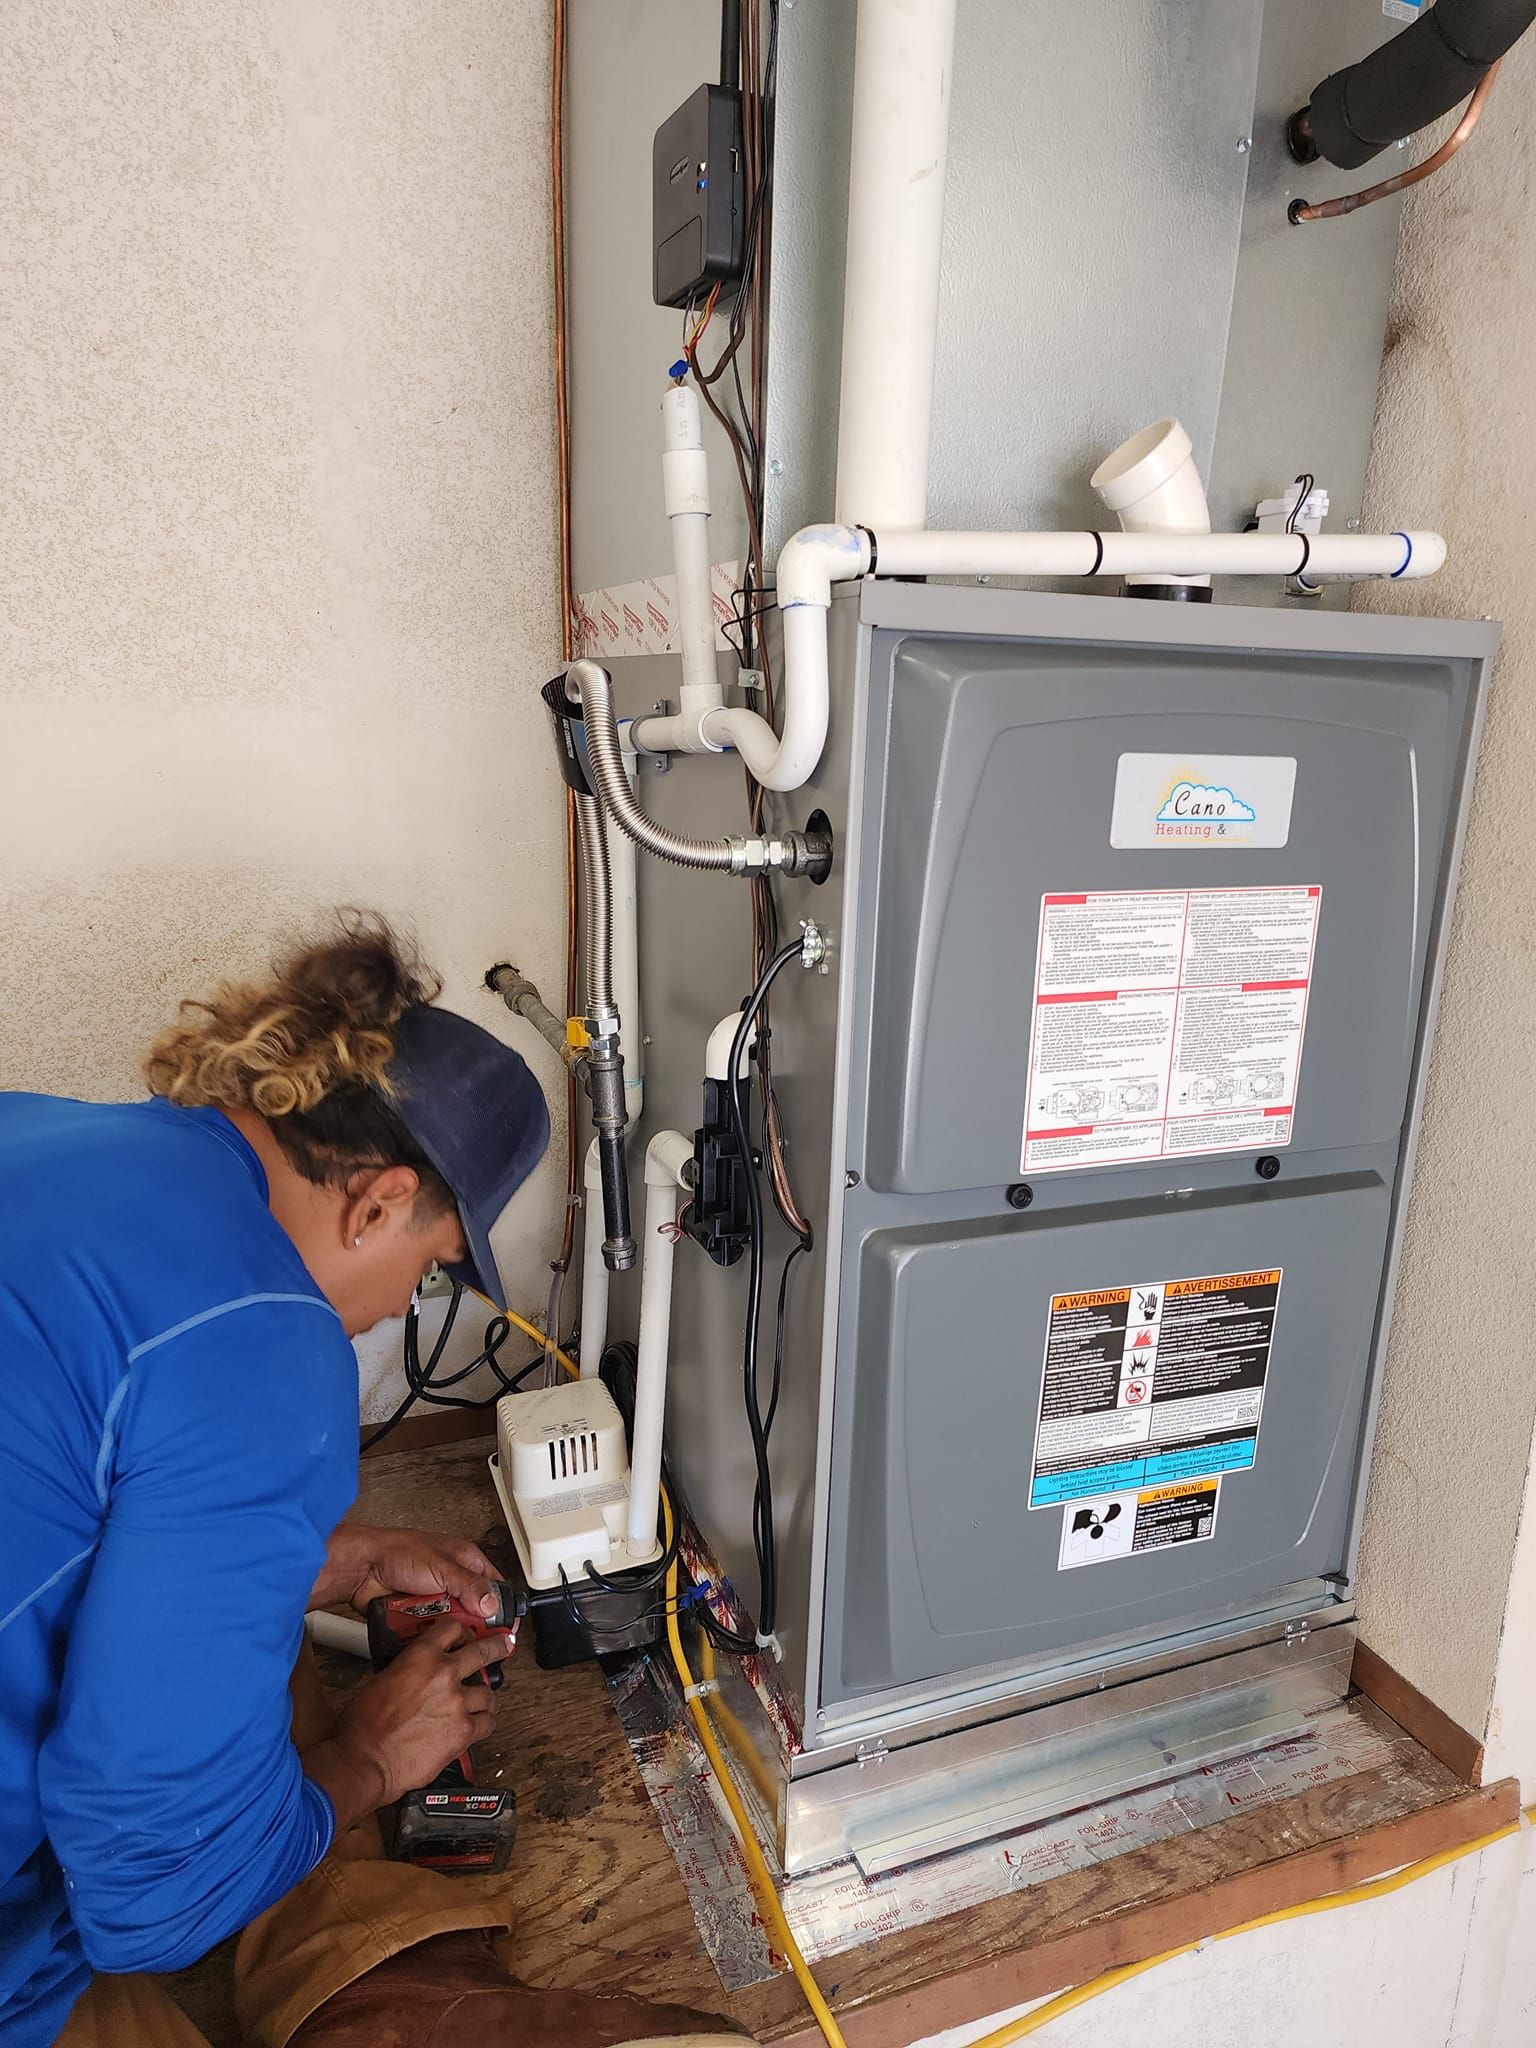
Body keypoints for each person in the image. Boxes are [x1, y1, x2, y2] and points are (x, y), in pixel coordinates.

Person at [0, 916, 749, 2047]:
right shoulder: (263, 1345)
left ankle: (386, 1983)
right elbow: (156, 1896)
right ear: (380, 1199)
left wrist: (327, 1557)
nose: (409, 1304)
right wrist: (368, 1757)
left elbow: (52, 1496)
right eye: (438, 1262)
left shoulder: (43, 1134)